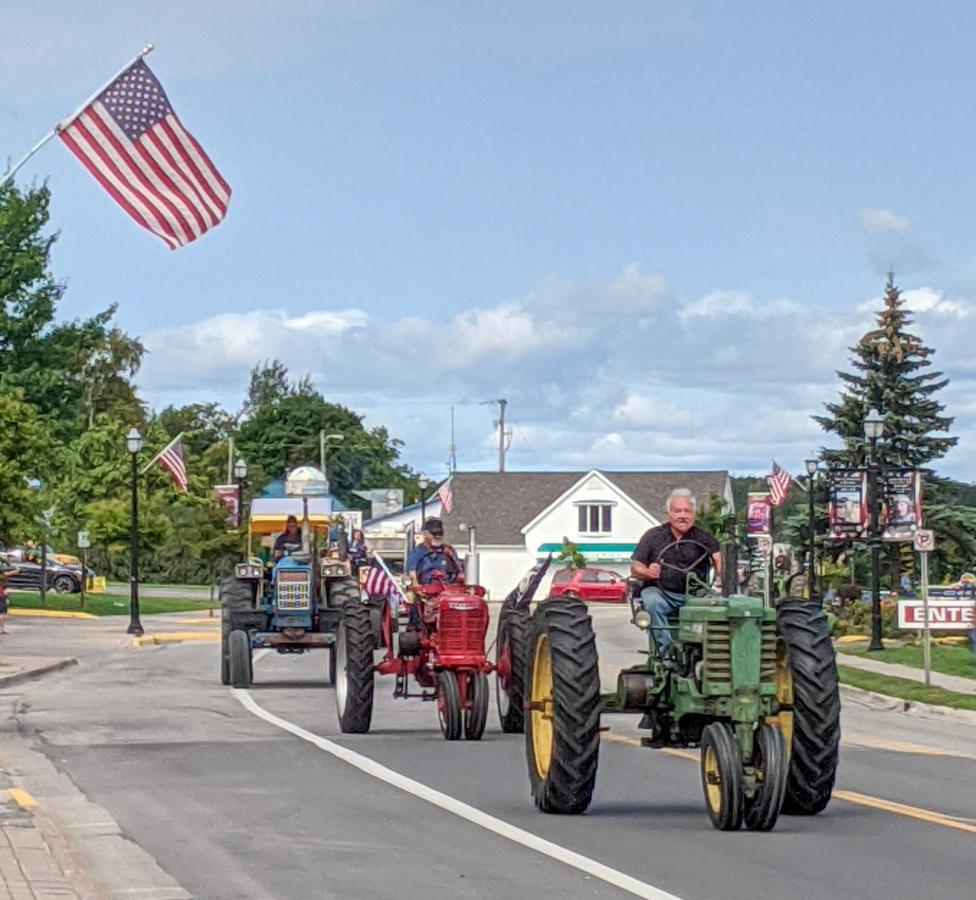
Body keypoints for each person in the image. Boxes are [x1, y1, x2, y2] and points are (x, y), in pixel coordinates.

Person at [631, 489, 722, 660]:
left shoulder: (704, 538)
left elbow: (718, 559)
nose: (683, 516)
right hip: (662, 592)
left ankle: (710, 656)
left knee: (719, 606)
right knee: (651, 600)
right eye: (678, 511)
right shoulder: (653, 536)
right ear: (669, 513)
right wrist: (648, 572)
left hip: (695, 595)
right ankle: (668, 654)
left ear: (694, 514)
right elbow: (635, 566)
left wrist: (721, 575)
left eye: (687, 511)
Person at [0, 554, 19, 634]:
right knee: (1, 612)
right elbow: (13, 572)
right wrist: (17, 569)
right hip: (1, 594)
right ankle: (1, 629)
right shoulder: (3, 575)